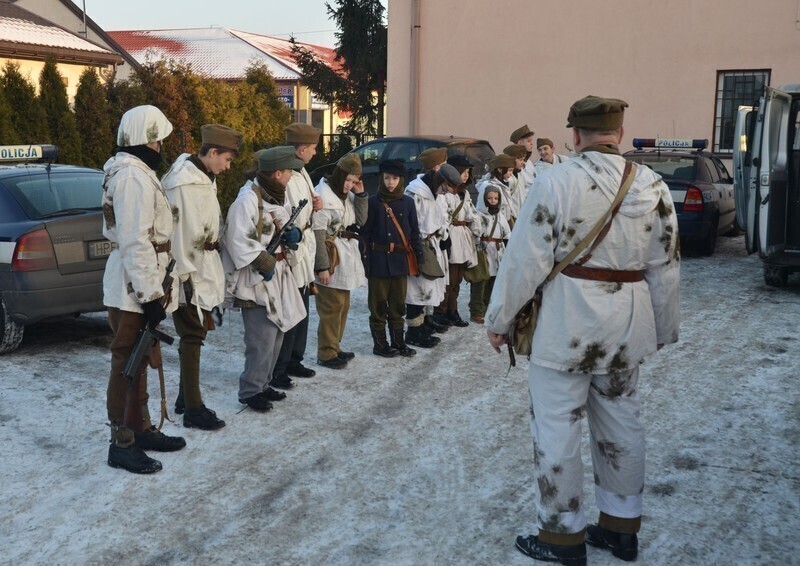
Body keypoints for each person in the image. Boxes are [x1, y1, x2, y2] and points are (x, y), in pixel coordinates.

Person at [486, 96, 680, 564]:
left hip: (566, 326)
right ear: (619, 131)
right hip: (627, 325)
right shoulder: (651, 184)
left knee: (557, 430)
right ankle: (620, 528)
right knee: (622, 425)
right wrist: (662, 328)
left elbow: (524, 260)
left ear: (575, 134)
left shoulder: (556, 181)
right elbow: (666, 263)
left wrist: (500, 319)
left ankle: (561, 536)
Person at [102, 105, 185, 474]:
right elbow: (136, 241)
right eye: (154, 138)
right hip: (134, 285)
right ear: (139, 139)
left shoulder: (136, 173)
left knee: (141, 360)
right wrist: (149, 295)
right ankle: (121, 442)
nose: (159, 145)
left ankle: (142, 428)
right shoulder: (132, 177)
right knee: (127, 362)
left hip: (143, 277)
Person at [161, 124, 242, 431]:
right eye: (227, 159)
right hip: (187, 272)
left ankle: (185, 397)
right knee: (193, 333)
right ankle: (193, 408)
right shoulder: (183, 183)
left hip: (203, 267)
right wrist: (185, 277)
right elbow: (178, 234)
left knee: (195, 333)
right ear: (211, 153)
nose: (228, 166)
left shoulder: (204, 177)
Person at [221, 146, 306, 413]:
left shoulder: (277, 196)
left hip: (278, 274)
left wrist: (295, 236)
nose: (292, 176)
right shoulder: (247, 200)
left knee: (278, 332)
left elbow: (284, 227)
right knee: (262, 338)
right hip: (255, 279)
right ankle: (250, 390)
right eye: (289, 172)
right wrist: (262, 261)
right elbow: (236, 239)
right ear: (277, 173)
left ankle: (264, 383)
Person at [272, 123, 325, 387]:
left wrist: (316, 204)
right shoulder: (288, 173)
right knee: (291, 307)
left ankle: (294, 358)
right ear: (302, 148)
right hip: (293, 245)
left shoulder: (302, 171)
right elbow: (284, 210)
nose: (315, 153)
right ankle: (279, 367)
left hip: (304, 243)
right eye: (313, 149)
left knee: (302, 303)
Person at [361, 159, 423, 357]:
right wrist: (366, 262)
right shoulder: (372, 202)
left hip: (399, 261)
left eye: (395, 178)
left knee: (398, 304)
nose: (390, 182)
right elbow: (365, 235)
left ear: (401, 180)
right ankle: (380, 345)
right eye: (387, 178)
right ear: (381, 178)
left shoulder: (408, 203)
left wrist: (419, 256)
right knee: (378, 305)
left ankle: (399, 342)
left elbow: (414, 232)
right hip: (378, 261)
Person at [312, 153, 368, 368]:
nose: (349, 185)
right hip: (330, 256)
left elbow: (361, 220)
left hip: (344, 255)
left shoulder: (347, 196)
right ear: (339, 175)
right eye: (347, 180)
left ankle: (335, 346)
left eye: (354, 181)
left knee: (342, 305)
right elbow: (317, 234)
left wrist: (360, 194)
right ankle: (326, 352)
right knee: (331, 306)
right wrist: (322, 266)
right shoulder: (323, 196)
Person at [404, 147, 450, 348]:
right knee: (418, 289)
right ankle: (413, 331)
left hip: (433, 243)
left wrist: (443, 234)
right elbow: (413, 221)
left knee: (429, 287)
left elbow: (442, 214)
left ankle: (424, 324)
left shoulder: (435, 188)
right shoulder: (416, 192)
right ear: (437, 166)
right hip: (419, 245)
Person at [433, 162, 480, 327]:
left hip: (463, 236)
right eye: (463, 171)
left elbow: (472, 213)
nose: (466, 175)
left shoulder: (464, 193)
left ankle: (452, 310)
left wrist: (476, 229)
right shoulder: (445, 194)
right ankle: (441, 311)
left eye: (468, 172)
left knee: (458, 278)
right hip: (451, 234)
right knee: (450, 278)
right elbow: (443, 215)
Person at [468, 185, 511, 324]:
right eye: (490, 198)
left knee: (492, 282)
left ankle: (487, 309)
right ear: (484, 199)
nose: (493, 201)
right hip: (482, 252)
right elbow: (474, 233)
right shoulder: (479, 215)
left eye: (495, 198)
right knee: (480, 282)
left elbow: (507, 234)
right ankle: (476, 311)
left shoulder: (500, 216)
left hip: (497, 253)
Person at [476, 153, 518, 227]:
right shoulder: (489, 185)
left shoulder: (502, 184)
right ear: (500, 169)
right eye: (510, 170)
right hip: (494, 225)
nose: (511, 174)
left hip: (503, 223)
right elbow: (484, 209)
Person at [503, 143, 532, 210]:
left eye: (523, 160)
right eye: (520, 160)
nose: (523, 162)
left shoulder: (520, 173)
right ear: (512, 159)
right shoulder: (506, 179)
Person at [510, 124, 537, 192]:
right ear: (520, 143)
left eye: (531, 141)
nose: (532, 144)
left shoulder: (529, 162)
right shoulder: (513, 163)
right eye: (529, 141)